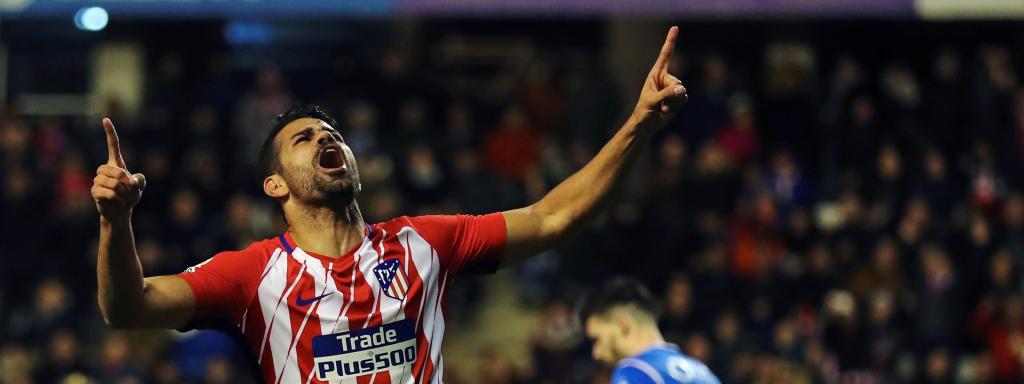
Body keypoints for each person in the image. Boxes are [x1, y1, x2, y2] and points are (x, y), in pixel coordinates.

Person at [90, 27, 688, 383]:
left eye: (333, 135)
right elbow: (128, 306)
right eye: (304, 138)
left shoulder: (421, 242)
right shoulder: (252, 275)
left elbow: (553, 216)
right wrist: (116, 222)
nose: (327, 139)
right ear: (275, 185)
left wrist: (638, 125)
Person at [580, 278, 720, 384]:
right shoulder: (702, 372)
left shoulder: (635, 371)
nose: (596, 353)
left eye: (597, 339)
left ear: (623, 326)